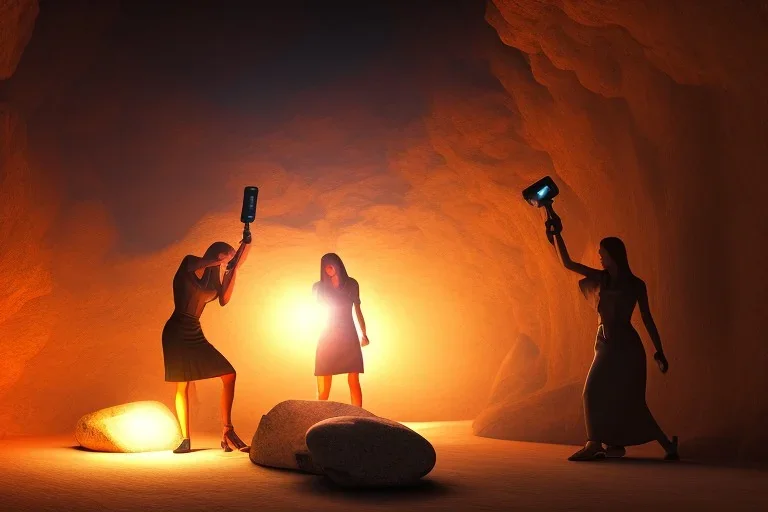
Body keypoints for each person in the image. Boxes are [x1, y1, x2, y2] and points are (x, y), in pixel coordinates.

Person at [548, 218, 678, 461]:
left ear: (613, 254)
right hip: (605, 342)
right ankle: (616, 444)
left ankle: (595, 443)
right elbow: (568, 263)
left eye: (602, 253)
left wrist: (658, 351)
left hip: (626, 344)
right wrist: (556, 234)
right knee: (607, 394)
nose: (599, 256)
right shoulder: (602, 278)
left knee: (617, 396)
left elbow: (647, 319)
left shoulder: (636, 284)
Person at [161, 233, 251, 454]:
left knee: (229, 374)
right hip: (176, 331)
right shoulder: (190, 262)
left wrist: (234, 267)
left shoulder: (214, 278)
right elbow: (202, 263)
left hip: (194, 330)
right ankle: (185, 439)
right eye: (224, 257)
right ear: (216, 254)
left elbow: (224, 300)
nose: (226, 261)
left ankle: (227, 431)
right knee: (183, 384)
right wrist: (226, 258)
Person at [312, 253, 370, 407]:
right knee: (324, 384)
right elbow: (315, 311)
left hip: (348, 335)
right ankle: (318, 419)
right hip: (327, 336)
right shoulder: (318, 287)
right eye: (325, 266)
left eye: (331, 265)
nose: (328, 269)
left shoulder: (351, 284)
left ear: (338, 265)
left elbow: (358, 309)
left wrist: (364, 334)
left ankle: (359, 416)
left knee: (353, 379)